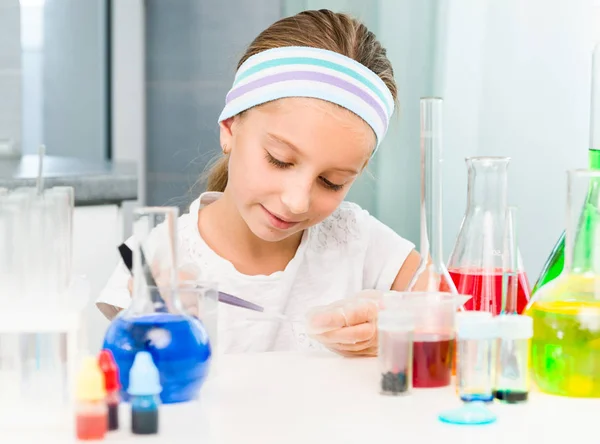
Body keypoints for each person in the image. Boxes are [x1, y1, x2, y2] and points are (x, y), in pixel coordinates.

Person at [96, 9, 427, 356]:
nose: (297, 201)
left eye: (332, 182)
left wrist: (400, 326)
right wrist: (154, 333)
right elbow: (122, 383)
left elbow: (461, 315)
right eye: (279, 160)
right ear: (229, 128)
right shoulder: (156, 258)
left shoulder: (355, 239)